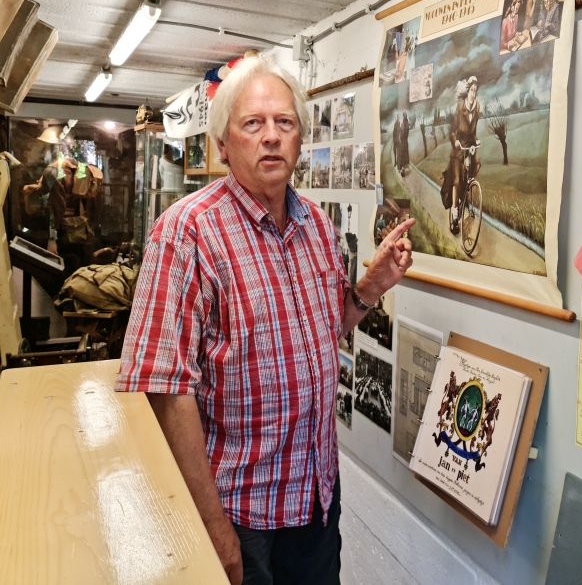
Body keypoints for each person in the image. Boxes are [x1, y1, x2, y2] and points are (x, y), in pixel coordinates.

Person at [116, 56, 414, 585]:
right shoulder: (186, 233)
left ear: (299, 139)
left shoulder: (317, 226)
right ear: (224, 144)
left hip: (316, 497)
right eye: (253, 124)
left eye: (285, 123)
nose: (271, 137)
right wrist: (213, 528)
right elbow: (164, 389)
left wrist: (370, 287)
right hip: (238, 510)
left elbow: (320, 336)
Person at [444, 76, 481, 233]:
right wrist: (456, 142)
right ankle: (454, 213)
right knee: (457, 181)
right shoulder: (460, 108)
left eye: (475, 90)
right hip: (459, 150)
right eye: (471, 90)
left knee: (477, 165)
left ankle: (465, 195)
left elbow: (473, 133)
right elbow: (452, 131)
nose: (473, 93)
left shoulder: (477, 109)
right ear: (467, 93)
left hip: (470, 148)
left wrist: (476, 141)